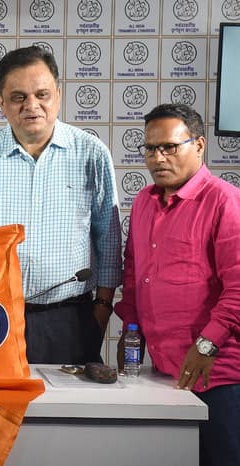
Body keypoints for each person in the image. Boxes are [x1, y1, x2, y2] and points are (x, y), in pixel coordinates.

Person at [0, 46, 122, 364]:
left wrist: (103, 308)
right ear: (1, 103)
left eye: (42, 94)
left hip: (70, 317)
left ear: (58, 94)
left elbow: (108, 237)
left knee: (69, 399)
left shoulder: (91, 153)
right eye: (18, 97)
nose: (32, 106)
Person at [115, 103, 240, 466]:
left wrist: (206, 344)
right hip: (163, 373)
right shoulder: (143, 202)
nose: (158, 158)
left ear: (199, 145)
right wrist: (130, 332)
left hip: (219, 376)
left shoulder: (224, 201)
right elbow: (134, 276)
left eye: (169, 147)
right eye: (150, 149)